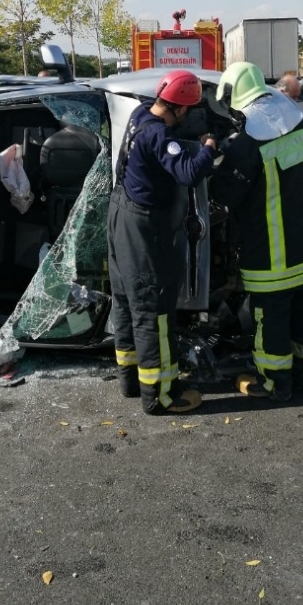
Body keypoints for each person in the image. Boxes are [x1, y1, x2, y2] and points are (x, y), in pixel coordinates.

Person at [211, 62, 303, 402]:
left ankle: (275, 383)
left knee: (272, 317)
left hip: (272, 254)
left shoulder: (247, 142)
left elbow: (224, 195)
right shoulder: (301, 125)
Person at [107, 69, 217, 415]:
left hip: (120, 213)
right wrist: (208, 149)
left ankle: (130, 380)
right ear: (182, 110)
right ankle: (160, 395)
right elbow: (187, 173)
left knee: (126, 301)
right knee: (154, 311)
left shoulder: (140, 114)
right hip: (143, 225)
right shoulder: (159, 136)